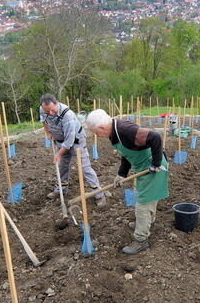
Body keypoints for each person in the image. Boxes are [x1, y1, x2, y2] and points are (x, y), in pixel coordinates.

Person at [86, 109, 169, 255]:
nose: (97, 136)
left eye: (96, 133)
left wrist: (155, 164)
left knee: (143, 203)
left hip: (153, 166)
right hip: (142, 166)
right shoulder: (114, 132)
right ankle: (147, 222)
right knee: (144, 196)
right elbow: (128, 152)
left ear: (102, 128)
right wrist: (121, 174)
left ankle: (141, 240)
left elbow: (155, 137)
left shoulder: (125, 130)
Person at [40, 94, 107, 206]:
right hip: (60, 140)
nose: (50, 113)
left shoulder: (68, 115)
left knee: (85, 168)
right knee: (62, 166)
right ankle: (61, 189)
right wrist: (48, 132)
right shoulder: (43, 109)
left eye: (52, 110)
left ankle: (98, 194)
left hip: (76, 142)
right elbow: (44, 120)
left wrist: (59, 154)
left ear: (56, 103)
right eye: (47, 112)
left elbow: (69, 141)